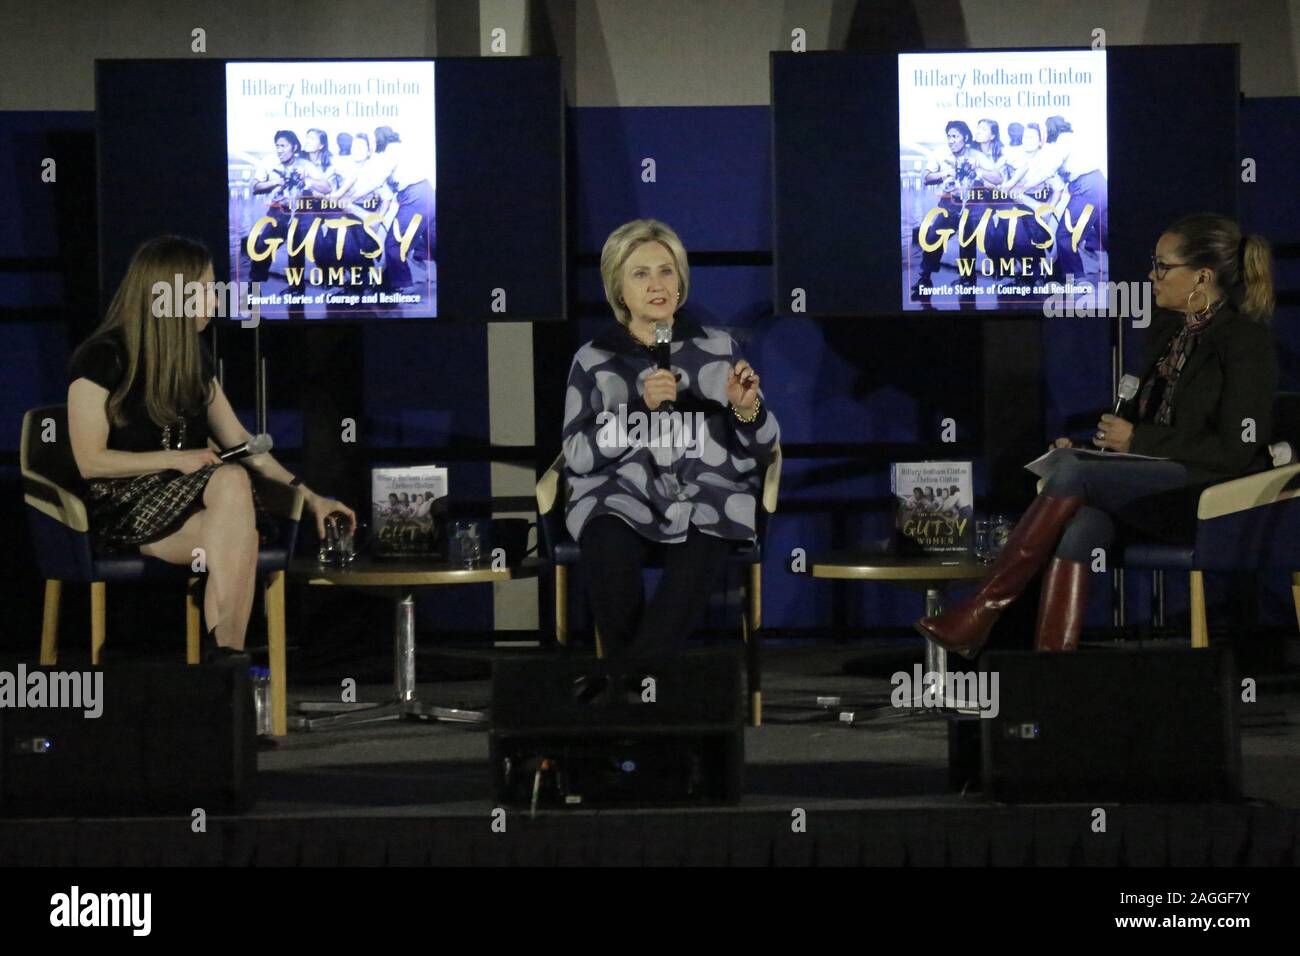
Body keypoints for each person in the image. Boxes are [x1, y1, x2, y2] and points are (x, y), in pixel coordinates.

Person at [916, 213, 1277, 656]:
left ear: (1201, 276)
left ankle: (980, 612)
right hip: (1158, 486)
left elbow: (1238, 451)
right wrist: (1095, 451)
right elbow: (1145, 432)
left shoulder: (1245, 342)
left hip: (1212, 499)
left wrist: (1131, 444)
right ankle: (1053, 673)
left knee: (1072, 471)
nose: (1151, 275)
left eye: (1163, 266)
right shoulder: (1169, 333)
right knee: (1081, 525)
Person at [67, 236, 357, 661]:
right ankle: (229, 674)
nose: (216, 298)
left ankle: (225, 661)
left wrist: (312, 497)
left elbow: (244, 446)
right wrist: (177, 458)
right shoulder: (102, 358)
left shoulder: (193, 358)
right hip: (125, 505)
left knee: (236, 513)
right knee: (232, 494)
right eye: (207, 288)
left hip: (193, 509)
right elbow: (90, 462)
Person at [562, 219, 780, 658]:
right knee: (605, 534)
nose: (657, 285)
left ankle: (630, 688)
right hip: (619, 493)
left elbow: (763, 445)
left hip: (707, 490)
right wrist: (637, 409)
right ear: (619, 290)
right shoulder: (593, 358)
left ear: (681, 282)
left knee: (709, 528)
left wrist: (744, 407)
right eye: (640, 274)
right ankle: (645, 691)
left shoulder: (718, 349)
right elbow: (578, 456)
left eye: (667, 271)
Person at [913, 120, 1004, 304]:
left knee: (970, 239)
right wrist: (945, 174)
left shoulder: (976, 155)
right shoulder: (940, 154)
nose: (951, 140)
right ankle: (925, 278)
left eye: (955, 136)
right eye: (949, 137)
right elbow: (926, 178)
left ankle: (970, 280)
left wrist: (977, 168)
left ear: (966, 138)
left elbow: (998, 178)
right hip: (950, 202)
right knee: (932, 236)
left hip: (973, 202)